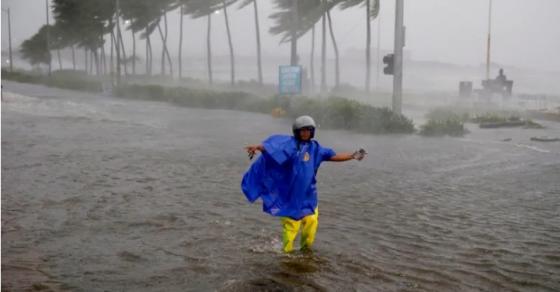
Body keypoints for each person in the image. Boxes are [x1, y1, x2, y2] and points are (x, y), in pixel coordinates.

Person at [241, 115, 367, 253]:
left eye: (308, 130)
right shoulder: (289, 145)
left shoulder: (316, 148)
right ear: (297, 131)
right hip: (290, 197)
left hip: (309, 196)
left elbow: (333, 156)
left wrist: (352, 155)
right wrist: (258, 148)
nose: (305, 133)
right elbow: (272, 148)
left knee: (311, 225)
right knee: (291, 228)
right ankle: (286, 255)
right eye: (302, 130)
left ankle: (305, 252)